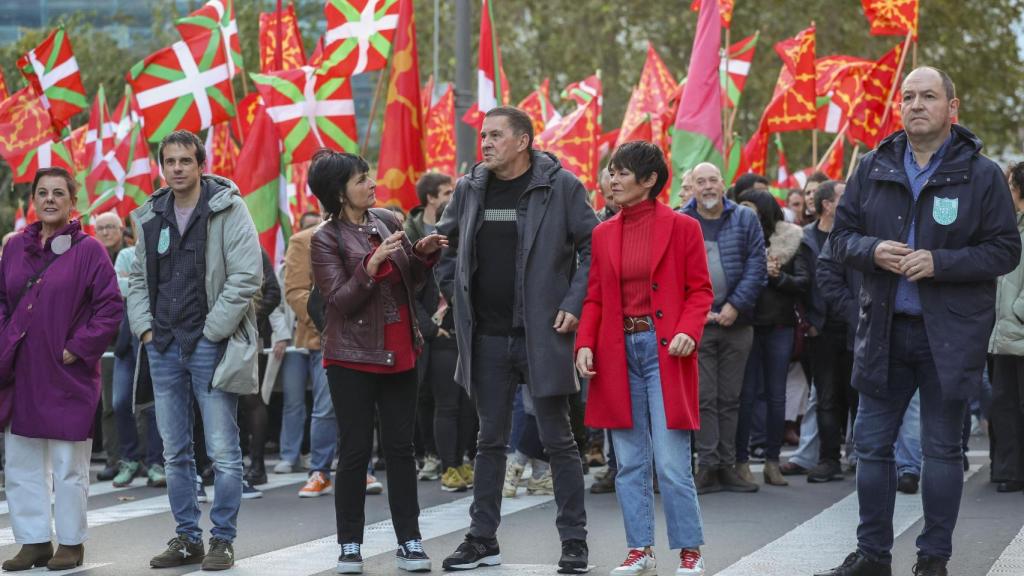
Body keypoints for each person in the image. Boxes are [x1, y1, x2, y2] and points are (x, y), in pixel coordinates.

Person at [817, 67, 1022, 576]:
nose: (915, 104)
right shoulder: (873, 165)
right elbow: (839, 240)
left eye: (928, 96)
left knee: (940, 452)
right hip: (883, 329)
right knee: (871, 448)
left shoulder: (982, 173)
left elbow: (1005, 249)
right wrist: (873, 250)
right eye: (908, 96)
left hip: (949, 336)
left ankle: (933, 559)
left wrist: (940, 262)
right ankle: (872, 555)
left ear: (952, 107)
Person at [435, 106, 596, 573]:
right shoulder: (468, 189)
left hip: (542, 336)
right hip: (486, 337)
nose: (484, 143)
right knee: (489, 442)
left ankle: (574, 541)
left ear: (523, 141)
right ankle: (482, 539)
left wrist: (573, 301)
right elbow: (443, 247)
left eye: (495, 135)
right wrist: (455, 293)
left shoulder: (560, 186)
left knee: (559, 440)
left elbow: (593, 248)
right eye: (482, 136)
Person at [576, 141, 714, 575]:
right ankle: (640, 550)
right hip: (617, 353)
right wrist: (584, 341)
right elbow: (595, 295)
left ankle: (689, 551)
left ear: (649, 180)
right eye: (610, 172)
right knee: (629, 462)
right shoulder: (603, 232)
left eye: (621, 173)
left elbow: (700, 291)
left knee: (672, 463)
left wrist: (688, 332)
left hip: (665, 351)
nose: (611, 180)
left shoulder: (683, 227)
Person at [128, 130, 263, 571]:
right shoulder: (149, 215)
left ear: (201, 164)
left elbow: (247, 276)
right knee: (174, 452)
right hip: (162, 346)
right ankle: (187, 538)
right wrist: (145, 330)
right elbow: (136, 280)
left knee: (224, 450)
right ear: (162, 167)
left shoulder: (228, 207)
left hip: (210, 344)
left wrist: (212, 331)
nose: (178, 168)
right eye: (170, 161)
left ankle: (222, 539)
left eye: (186, 160)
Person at [308, 149, 447, 574]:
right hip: (351, 357)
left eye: (368, 176)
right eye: (361, 179)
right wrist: (372, 263)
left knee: (401, 450)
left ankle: (410, 540)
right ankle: (350, 544)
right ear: (338, 192)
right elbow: (340, 301)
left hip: (402, 350)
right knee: (353, 452)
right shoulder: (325, 238)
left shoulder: (387, 220)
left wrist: (420, 255)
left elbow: (413, 283)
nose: (371, 184)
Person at [0, 167, 123, 571]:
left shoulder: (89, 250)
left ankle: (71, 542)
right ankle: (33, 541)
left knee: (70, 465)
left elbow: (110, 307)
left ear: (72, 202)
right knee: (21, 462)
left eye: (58, 193)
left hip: (67, 372)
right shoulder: (15, 248)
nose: (49, 199)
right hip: (22, 372)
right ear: (33, 201)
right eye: (42, 193)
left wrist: (77, 347)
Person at [680, 162, 767, 494]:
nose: (707, 187)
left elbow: (757, 264)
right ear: (693, 186)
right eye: (700, 181)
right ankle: (707, 465)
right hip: (696, 326)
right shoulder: (681, 219)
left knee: (731, 398)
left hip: (737, 322)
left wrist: (734, 306)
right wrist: (697, 311)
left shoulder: (745, 218)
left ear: (723, 184)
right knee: (703, 397)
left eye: (712, 180)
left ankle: (728, 465)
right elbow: (674, 271)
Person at [733, 189, 810, 487]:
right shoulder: (737, 236)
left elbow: (803, 282)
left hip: (779, 326)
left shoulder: (791, 238)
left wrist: (777, 276)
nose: (744, 212)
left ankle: (772, 462)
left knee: (777, 395)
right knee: (746, 395)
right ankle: (741, 462)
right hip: (745, 324)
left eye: (750, 207)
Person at [798, 181, 857, 483]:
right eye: (842, 197)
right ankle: (828, 459)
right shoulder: (806, 239)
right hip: (821, 331)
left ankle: (859, 456)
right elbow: (800, 283)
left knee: (857, 394)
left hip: (854, 326)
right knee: (827, 396)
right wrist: (807, 321)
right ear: (827, 205)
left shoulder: (857, 233)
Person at [282, 210, 345, 497]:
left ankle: (365, 471)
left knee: (362, 406)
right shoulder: (302, 240)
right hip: (324, 336)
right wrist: (327, 319)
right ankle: (320, 470)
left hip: (364, 337)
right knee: (325, 406)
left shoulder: (369, 232)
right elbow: (295, 292)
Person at [107, 211, 166, 488]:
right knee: (120, 402)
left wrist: (138, 286)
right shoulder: (126, 255)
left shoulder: (165, 251)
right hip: (126, 341)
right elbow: (119, 287)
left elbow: (162, 289)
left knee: (153, 405)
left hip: (155, 339)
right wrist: (143, 286)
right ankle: (128, 459)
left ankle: (155, 462)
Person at [406, 172, 456, 482]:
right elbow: (409, 290)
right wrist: (428, 327)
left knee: (454, 401)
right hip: (424, 331)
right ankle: (432, 456)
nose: (452, 196)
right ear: (432, 199)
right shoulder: (409, 234)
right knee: (423, 397)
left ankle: (455, 460)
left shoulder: (459, 239)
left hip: (452, 330)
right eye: (447, 191)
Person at [989, 161, 1024, 492]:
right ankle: (1010, 471)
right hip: (1005, 334)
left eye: (1010, 185)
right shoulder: (1012, 226)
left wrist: (1017, 310)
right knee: (1004, 404)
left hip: (1016, 327)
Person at [94, 211, 128, 482]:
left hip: (131, 339)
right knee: (108, 405)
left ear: (121, 229)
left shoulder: (132, 255)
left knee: (136, 404)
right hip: (102, 343)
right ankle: (114, 458)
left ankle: (138, 458)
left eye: (110, 227)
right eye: (101, 228)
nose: (106, 232)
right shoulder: (92, 258)